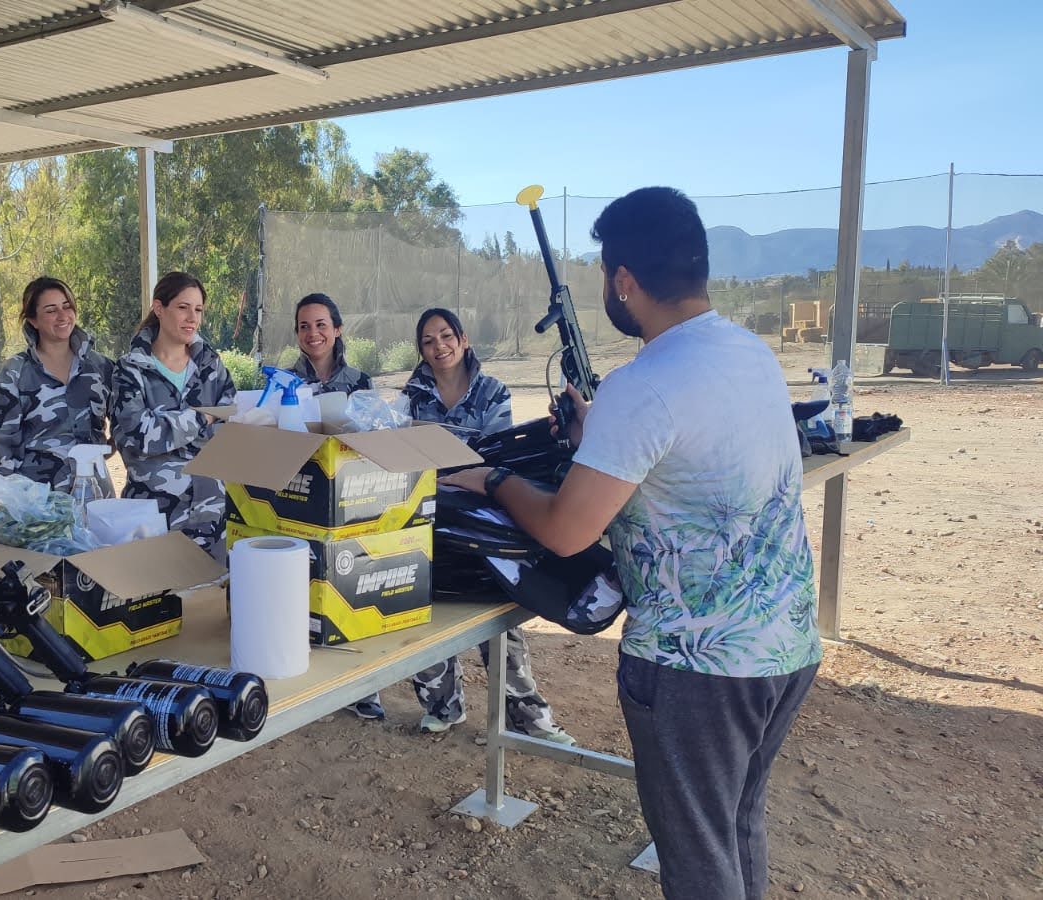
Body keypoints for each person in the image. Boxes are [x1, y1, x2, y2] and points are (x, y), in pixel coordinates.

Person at [441, 187, 821, 899]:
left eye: (603, 275)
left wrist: (489, 478)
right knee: (737, 828)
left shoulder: (642, 386)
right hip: (787, 647)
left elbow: (565, 528)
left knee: (699, 861)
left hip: (697, 670)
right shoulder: (750, 354)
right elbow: (681, 463)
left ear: (624, 282)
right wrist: (596, 440)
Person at [377, 308, 573, 743]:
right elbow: (402, 449)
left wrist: (453, 466)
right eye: (428, 341)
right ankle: (442, 705)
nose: (439, 346)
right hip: (428, 513)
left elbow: (495, 456)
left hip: (484, 518)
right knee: (424, 604)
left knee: (499, 616)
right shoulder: (411, 397)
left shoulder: (492, 391)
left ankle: (527, 716)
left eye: (446, 336)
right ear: (421, 351)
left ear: (463, 340)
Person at [111, 271, 236, 556]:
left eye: (198, 310)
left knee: (210, 597)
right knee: (156, 599)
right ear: (159, 308)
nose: (192, 318)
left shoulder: (211, 368)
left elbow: (229, 434)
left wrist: (169, 432)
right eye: (183, 307)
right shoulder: (131, 370)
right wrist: (202, 418)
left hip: (211, 516)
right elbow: (138, 439)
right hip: (153, 515)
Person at [0, 276, 115, 491]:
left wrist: (106, 450)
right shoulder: (16, 371)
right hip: (38, 498)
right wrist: (11, 496)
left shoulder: (100, 366)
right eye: (51, 310)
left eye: (67, 306)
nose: (63, 316)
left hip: (94, 492)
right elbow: (0, 441)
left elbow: (127, 421)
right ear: (33, 320)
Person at [289, 293, 371, 394]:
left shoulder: (361, 383)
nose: (313, 333)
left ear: (337, 330)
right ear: (298, 333)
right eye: (304, 326)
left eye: (321, 325)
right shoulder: (282, 383)